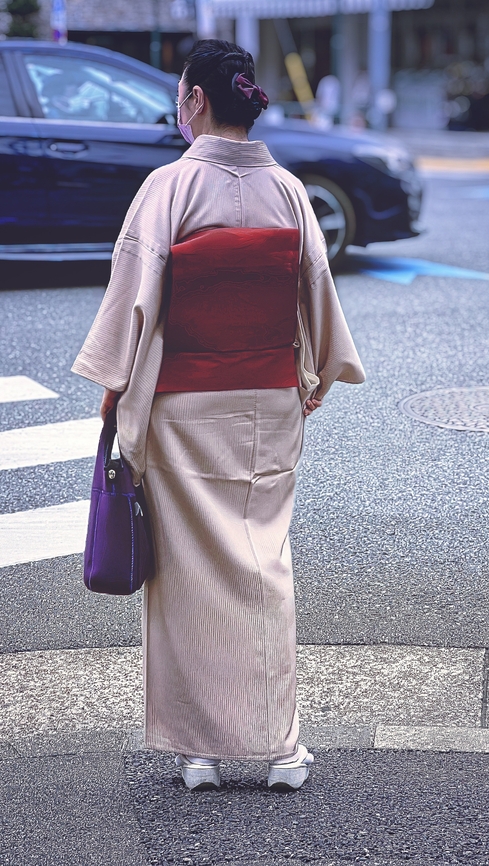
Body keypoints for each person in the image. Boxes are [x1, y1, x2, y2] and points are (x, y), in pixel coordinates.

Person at [72, 39, 365, 792]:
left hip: (183, 402)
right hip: (268, 396)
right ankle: (281, 749)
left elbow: (131, 305)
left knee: (189, 578)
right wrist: (316, 374)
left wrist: (114, 392)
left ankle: (200, 749)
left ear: (196, 100)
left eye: (180, 93)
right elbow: (318, 298)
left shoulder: (167, 189)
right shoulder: (292, 192)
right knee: (265, 566)